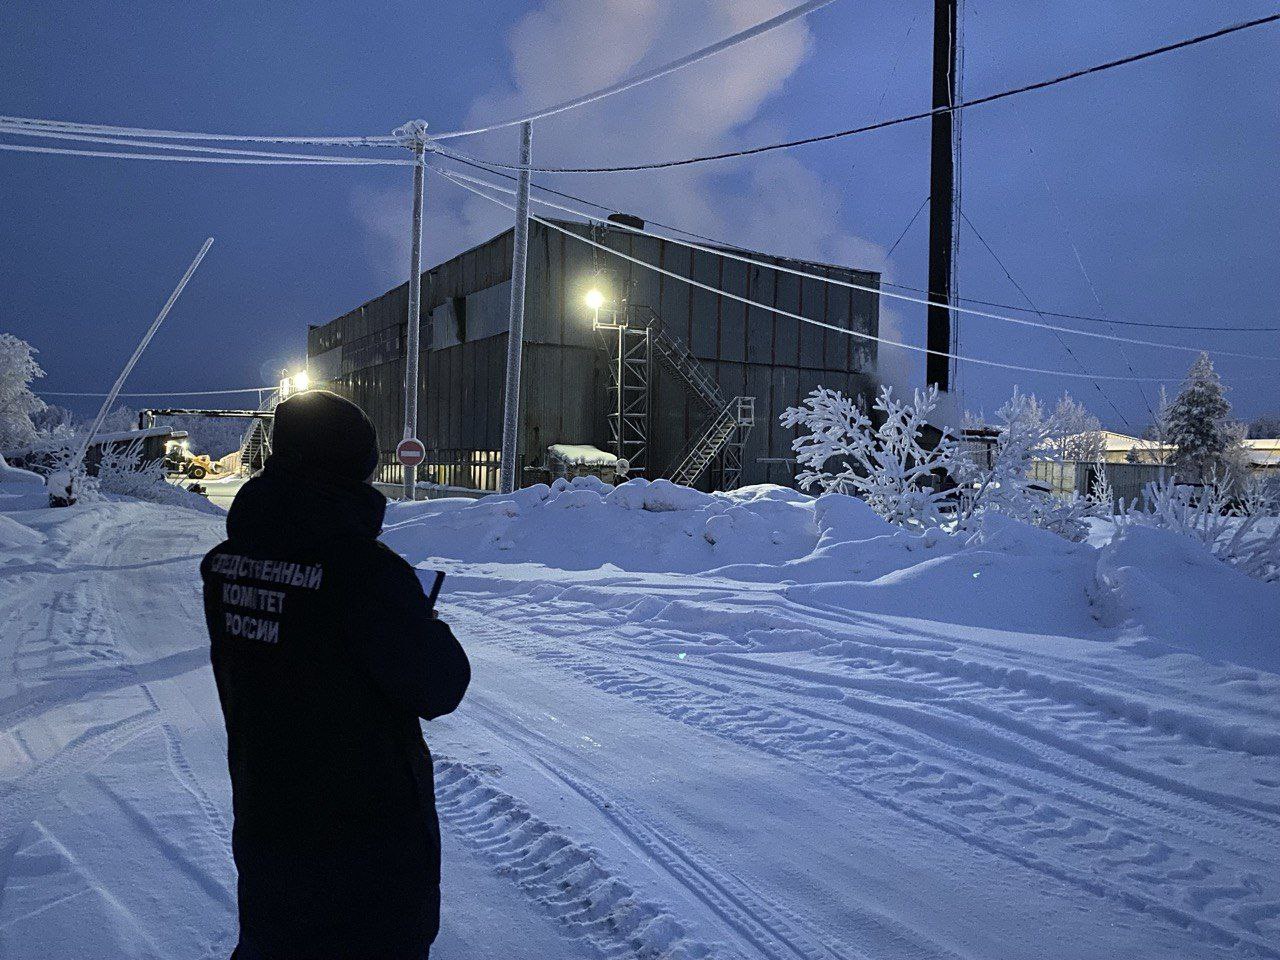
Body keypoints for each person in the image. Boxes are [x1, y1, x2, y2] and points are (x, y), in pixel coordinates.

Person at [201, 390, 470, 960]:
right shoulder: (364, 573)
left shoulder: (224, 565)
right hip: (366, 854)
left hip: (267, 825)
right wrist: (417, 616)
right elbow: (441, 684)